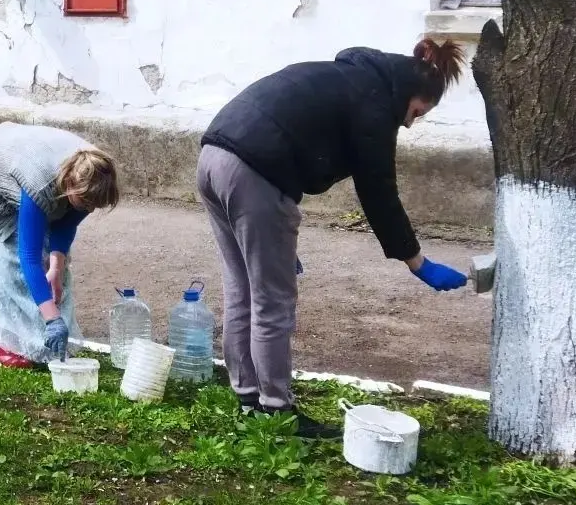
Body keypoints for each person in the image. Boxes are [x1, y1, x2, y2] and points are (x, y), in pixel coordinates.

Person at [197, 38, 468, 438]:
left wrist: (272, 233)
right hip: (255, 172)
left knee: (242, 288)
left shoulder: (349, 77)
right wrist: (417, 261)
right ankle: (276, 410)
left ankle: (249, 397)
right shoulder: (376, 104)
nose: (411, 123)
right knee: (272, 300)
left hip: (213, 157)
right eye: (418, 113)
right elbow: (378, 190)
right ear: (414, 93)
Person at [0, 122, 121, 368]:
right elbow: (28, 256)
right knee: (13, 262)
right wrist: (53, 320)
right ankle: (4, 345)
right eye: (85, 203)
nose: (90, 209)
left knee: (50, 261)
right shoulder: (39, 185)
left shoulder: (96, 178)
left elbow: (66, 224)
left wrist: (56, 267)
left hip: (29, 159)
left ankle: (42, 344)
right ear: (70, 185)